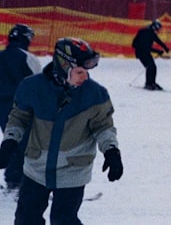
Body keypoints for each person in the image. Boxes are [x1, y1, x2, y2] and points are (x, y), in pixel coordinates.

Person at [1, 37, 122, 223]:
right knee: (26, 219)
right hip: (36, 169)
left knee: (64, 220)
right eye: (80, 71)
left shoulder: (95, 94)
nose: (85, 77)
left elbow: (103, 127)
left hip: (72, 172)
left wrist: (112, 151)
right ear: (64, 66)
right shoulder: (32, 87)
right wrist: (9, 142)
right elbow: (18, 118)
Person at [1, 25, 42, 192]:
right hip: (20, 105)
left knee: (12, 139)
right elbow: (38, 84)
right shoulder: (28, 58)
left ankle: (14, 177)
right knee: (25, 141)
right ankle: (19, 179)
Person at [131, 19, 171, 90]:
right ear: (154, 27)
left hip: (145, 52)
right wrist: (158, 51)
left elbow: (158, 40)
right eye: (158, 29)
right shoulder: (145, 33)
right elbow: (145, 47)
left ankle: (152, 82)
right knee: (150, 66)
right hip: (141, 52)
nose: (158, 31)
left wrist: (165, 48)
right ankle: (148, 84)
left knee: (153, 67)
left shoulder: (151, 32)